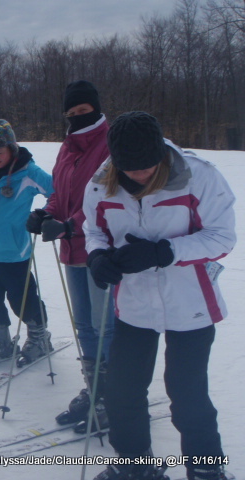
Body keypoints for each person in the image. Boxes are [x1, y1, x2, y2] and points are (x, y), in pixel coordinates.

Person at [83, 112, 235, 480]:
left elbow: (222, 237)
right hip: (134, 305)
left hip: (191, 303)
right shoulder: (101, 184)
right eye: (130, 169)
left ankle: (207, 470)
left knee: (187, 394)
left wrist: (164, 252)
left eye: (148, 166)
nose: (140, 175)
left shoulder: (200, 177)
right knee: (122, 391)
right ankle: (135, 464)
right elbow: (94, 230)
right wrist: (98, 256)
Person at [26, 81, 115, 429]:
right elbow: (61, 194)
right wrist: (47, 213)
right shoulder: (67, 146)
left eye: (84, 111)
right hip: (71, 248)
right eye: (72, 112)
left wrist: (68, 225)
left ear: (95, 107)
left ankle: (112, 397)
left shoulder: (111, 143)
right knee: (85, 326)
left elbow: (109, 199)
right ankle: (94, 390)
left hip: (100, 248)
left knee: (104, 326)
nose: (79, 117)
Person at [0, 119, 54, 368]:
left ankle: (40, 338)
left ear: (12, 149)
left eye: (0, 152)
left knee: (23, 300)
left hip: (15, 252)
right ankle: (1, 340)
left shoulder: (28, 172)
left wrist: (43, 215)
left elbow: (56, 192)